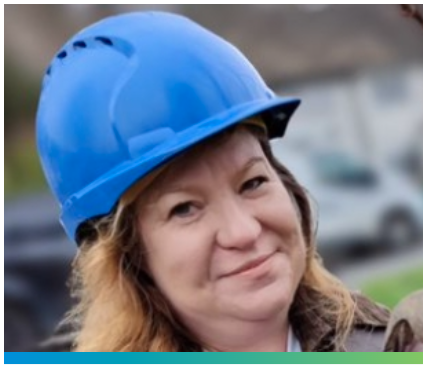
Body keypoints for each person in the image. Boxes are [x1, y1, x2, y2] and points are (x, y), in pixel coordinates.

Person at [35, 11, 389, 352]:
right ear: (128, 256)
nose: (244, 232)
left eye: (252, 183)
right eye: (185, 208)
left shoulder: (394, 345)